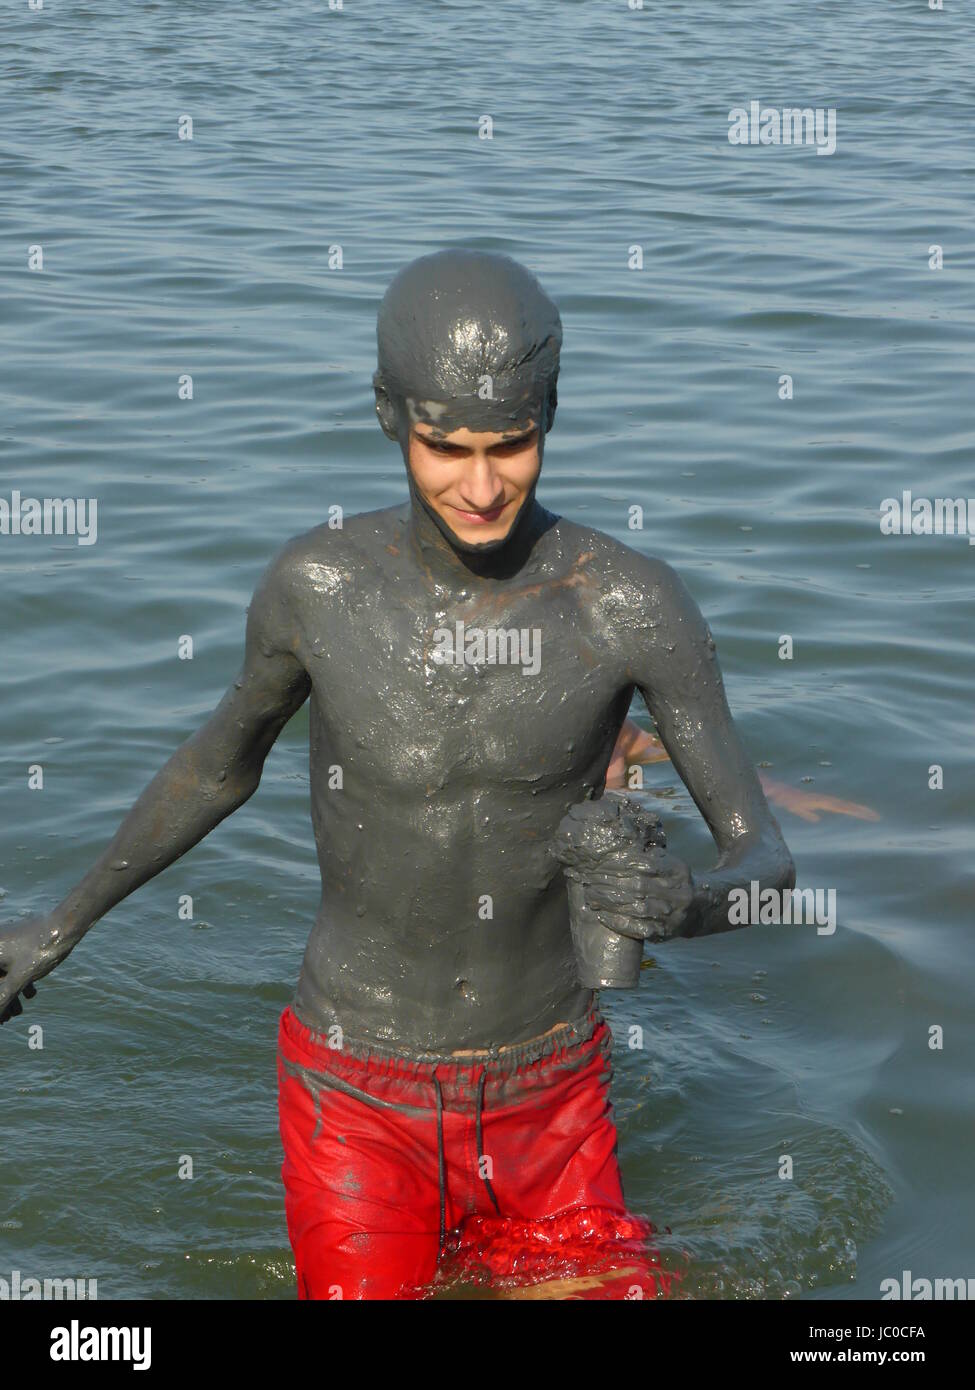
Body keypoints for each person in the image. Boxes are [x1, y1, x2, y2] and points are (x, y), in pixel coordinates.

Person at [0, 249, 797, 1300]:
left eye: (512, 444)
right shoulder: (317, 588)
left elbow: (770, 861)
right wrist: (53, 928)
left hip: (548, 1082)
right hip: (354, 1083)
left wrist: (689, 908)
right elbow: (212, 770)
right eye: (444, 446)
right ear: (388, 416)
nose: (481, 485)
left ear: (551, 412)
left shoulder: (630, 604)